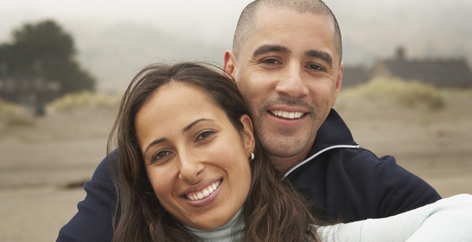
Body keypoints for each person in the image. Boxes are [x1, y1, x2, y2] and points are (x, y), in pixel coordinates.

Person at [56, 0, 441, 241]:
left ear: (337, 82)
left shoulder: (375, 187)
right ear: (231, 69)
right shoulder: (138, 171)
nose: (293, 85)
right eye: (271, 60)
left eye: (315, 66)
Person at [110, 62, 472, 242]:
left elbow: (463, 213)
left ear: (246, 135)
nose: (188, 168)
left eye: (203, 135)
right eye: (160, 155)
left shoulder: (314, 237)